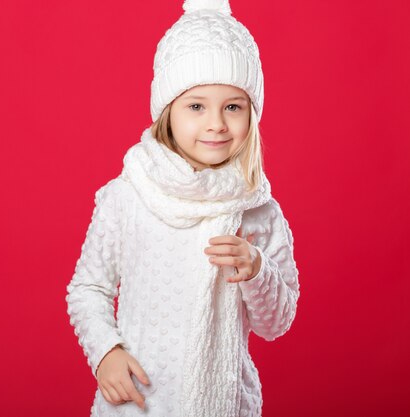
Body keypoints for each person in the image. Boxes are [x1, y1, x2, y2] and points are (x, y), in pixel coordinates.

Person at [65, 1, 300, 416]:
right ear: (167, 112)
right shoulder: (128, 195)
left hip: (225, 404)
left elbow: (276, 322)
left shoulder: (257, 211)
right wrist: (106, 352)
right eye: (196, 106)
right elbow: (88, 289)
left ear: (252, 114)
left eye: (233, 106)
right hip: (139, 402)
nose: (216, 123)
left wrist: (257, 270)